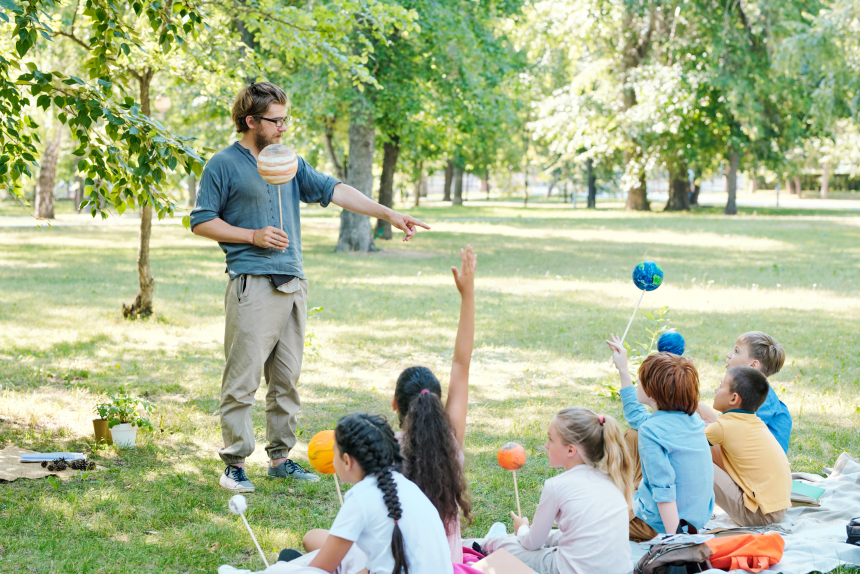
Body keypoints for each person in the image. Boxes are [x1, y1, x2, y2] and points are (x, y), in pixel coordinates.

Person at [190, 82, 429, 493]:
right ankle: (234, 462)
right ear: (251, 121)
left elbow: (335, 190)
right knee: (243, 378)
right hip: (252, 283)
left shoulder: (290, 162)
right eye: (275, 121)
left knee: (287, 380)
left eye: (286, 119)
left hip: (293, 282)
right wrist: (253, 236)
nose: (283, 128)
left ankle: (280, 458)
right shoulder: (224, 165)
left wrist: (388, 213)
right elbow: (201, 221)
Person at [305, 246, 477, 563]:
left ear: (395, 404)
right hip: (447, 563)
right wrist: (468, 295)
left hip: (394, 561)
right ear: (437, 405)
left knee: (312, 538)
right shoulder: (450, 443)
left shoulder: (383, 452)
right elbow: (460, 366)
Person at [278, 414, 454, 574]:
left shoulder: (360, 498)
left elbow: (320, 568)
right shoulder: (409, 488)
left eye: (334, 452)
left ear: (346, 461)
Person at [481, 408, 634, 574]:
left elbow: (533, 543)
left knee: (506, 545)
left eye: (550, 439)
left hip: (568, 570)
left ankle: (489, 542)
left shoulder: (556, 485)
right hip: (622, 570)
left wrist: (523, 527)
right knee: (556, 536)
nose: (546, 445)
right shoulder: (611, 478)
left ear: (570, 450)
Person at [606, 335, 714, 541]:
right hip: (696, 520)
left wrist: (674, 542)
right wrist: (623, 369)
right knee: (631, 435)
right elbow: (636, 416)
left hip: (659, 524)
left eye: (640, 380)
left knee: (594, 510)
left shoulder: (651, 430)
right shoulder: (692, 420)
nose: (638, 382)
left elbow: (664, 489)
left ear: (652, 394)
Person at [704, 366, 791, 527]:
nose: (716, 389)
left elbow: (688, 445)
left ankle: (689, 510)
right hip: (777, 508)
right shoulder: (753, 421)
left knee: (694, 460)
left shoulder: (723, 427)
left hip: (757, 515)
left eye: (721, 386)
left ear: (733, 398)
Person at [698, 332, 791, 453]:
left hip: (752, 465)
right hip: (741, 449)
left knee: (698, 427)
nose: (729, 354)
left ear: (753, 365)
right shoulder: (751, 391)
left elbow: (737, 434)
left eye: (736, 351)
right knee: (700, 411)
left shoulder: (761, 400)